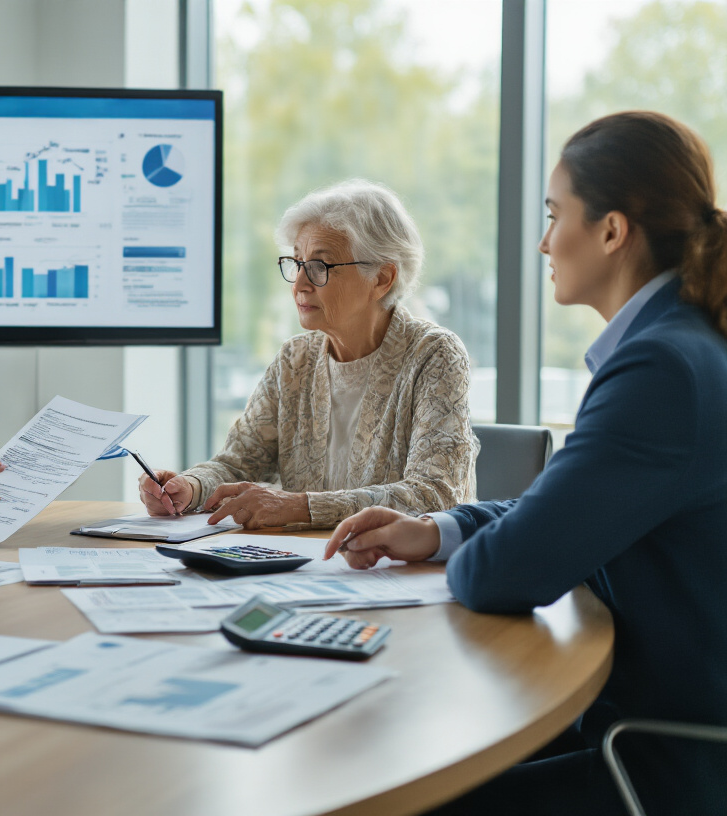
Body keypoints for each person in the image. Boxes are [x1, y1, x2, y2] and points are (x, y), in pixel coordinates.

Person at [324, 112, 727, 815]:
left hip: (659, 759)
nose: (544, 242)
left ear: (611, 230)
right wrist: (439, 529)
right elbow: (564, 508)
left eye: (554, 215)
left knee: (394, 786)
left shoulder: (660, 367)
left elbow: (506, 573)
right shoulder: (682, 344)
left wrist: (472, 550)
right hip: (648, 722)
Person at [139, 179, 477, 528]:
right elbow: (239, 463)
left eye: (319, 266)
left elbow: (434, 495)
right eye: (296, 262)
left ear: (381, 278)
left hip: (403, 571)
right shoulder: (295, 359)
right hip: (308, 567)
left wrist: (299, 506)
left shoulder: (435, 355)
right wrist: (190, 487)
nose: (299, 284)